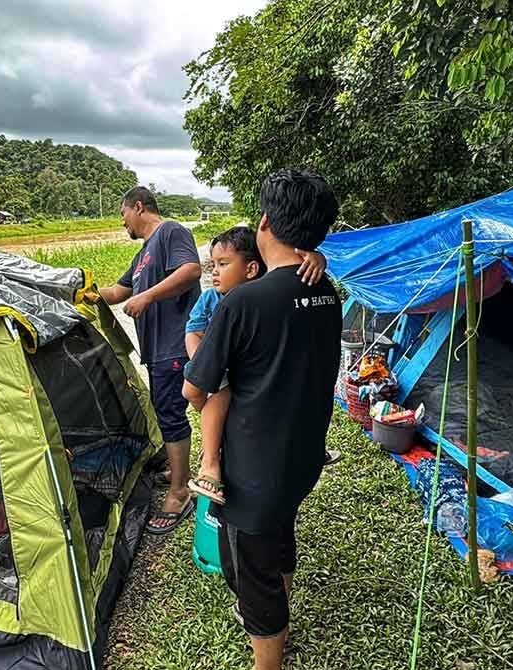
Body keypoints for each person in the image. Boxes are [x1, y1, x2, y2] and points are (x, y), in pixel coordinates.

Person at [182, 170, 342, 670]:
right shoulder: (327, 289)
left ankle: (268, 655)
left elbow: (195, 390)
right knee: (279, 531)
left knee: (253, 574)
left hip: (254, 468)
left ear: (266, 222)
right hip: (302, 456)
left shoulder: (242, 303)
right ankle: (279, 608)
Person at [183, 227, 338, 505]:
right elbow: (193, 333)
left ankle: (312, 448)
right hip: (218, 369)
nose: (215, 272)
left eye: (223, 264)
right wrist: (204, 365)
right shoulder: (213, 299)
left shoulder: (258, 294)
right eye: (213, 265)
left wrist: (318, 259)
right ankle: (210, 462)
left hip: (249, 374)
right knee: (220, 395)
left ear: (252, 268)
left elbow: (291, 265)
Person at [99, 186, 202, 534]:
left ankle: (180, 492)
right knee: (167, 410)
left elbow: (190, 270)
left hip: (175, 344)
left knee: (170, 415)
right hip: (157, 349)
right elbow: (116, 293)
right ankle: (178, 471)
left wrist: (147, 296)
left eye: (123, 214)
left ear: (138, 207)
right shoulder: (143, 254)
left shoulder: (171, 232)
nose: (123, 222)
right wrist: (78, 290)